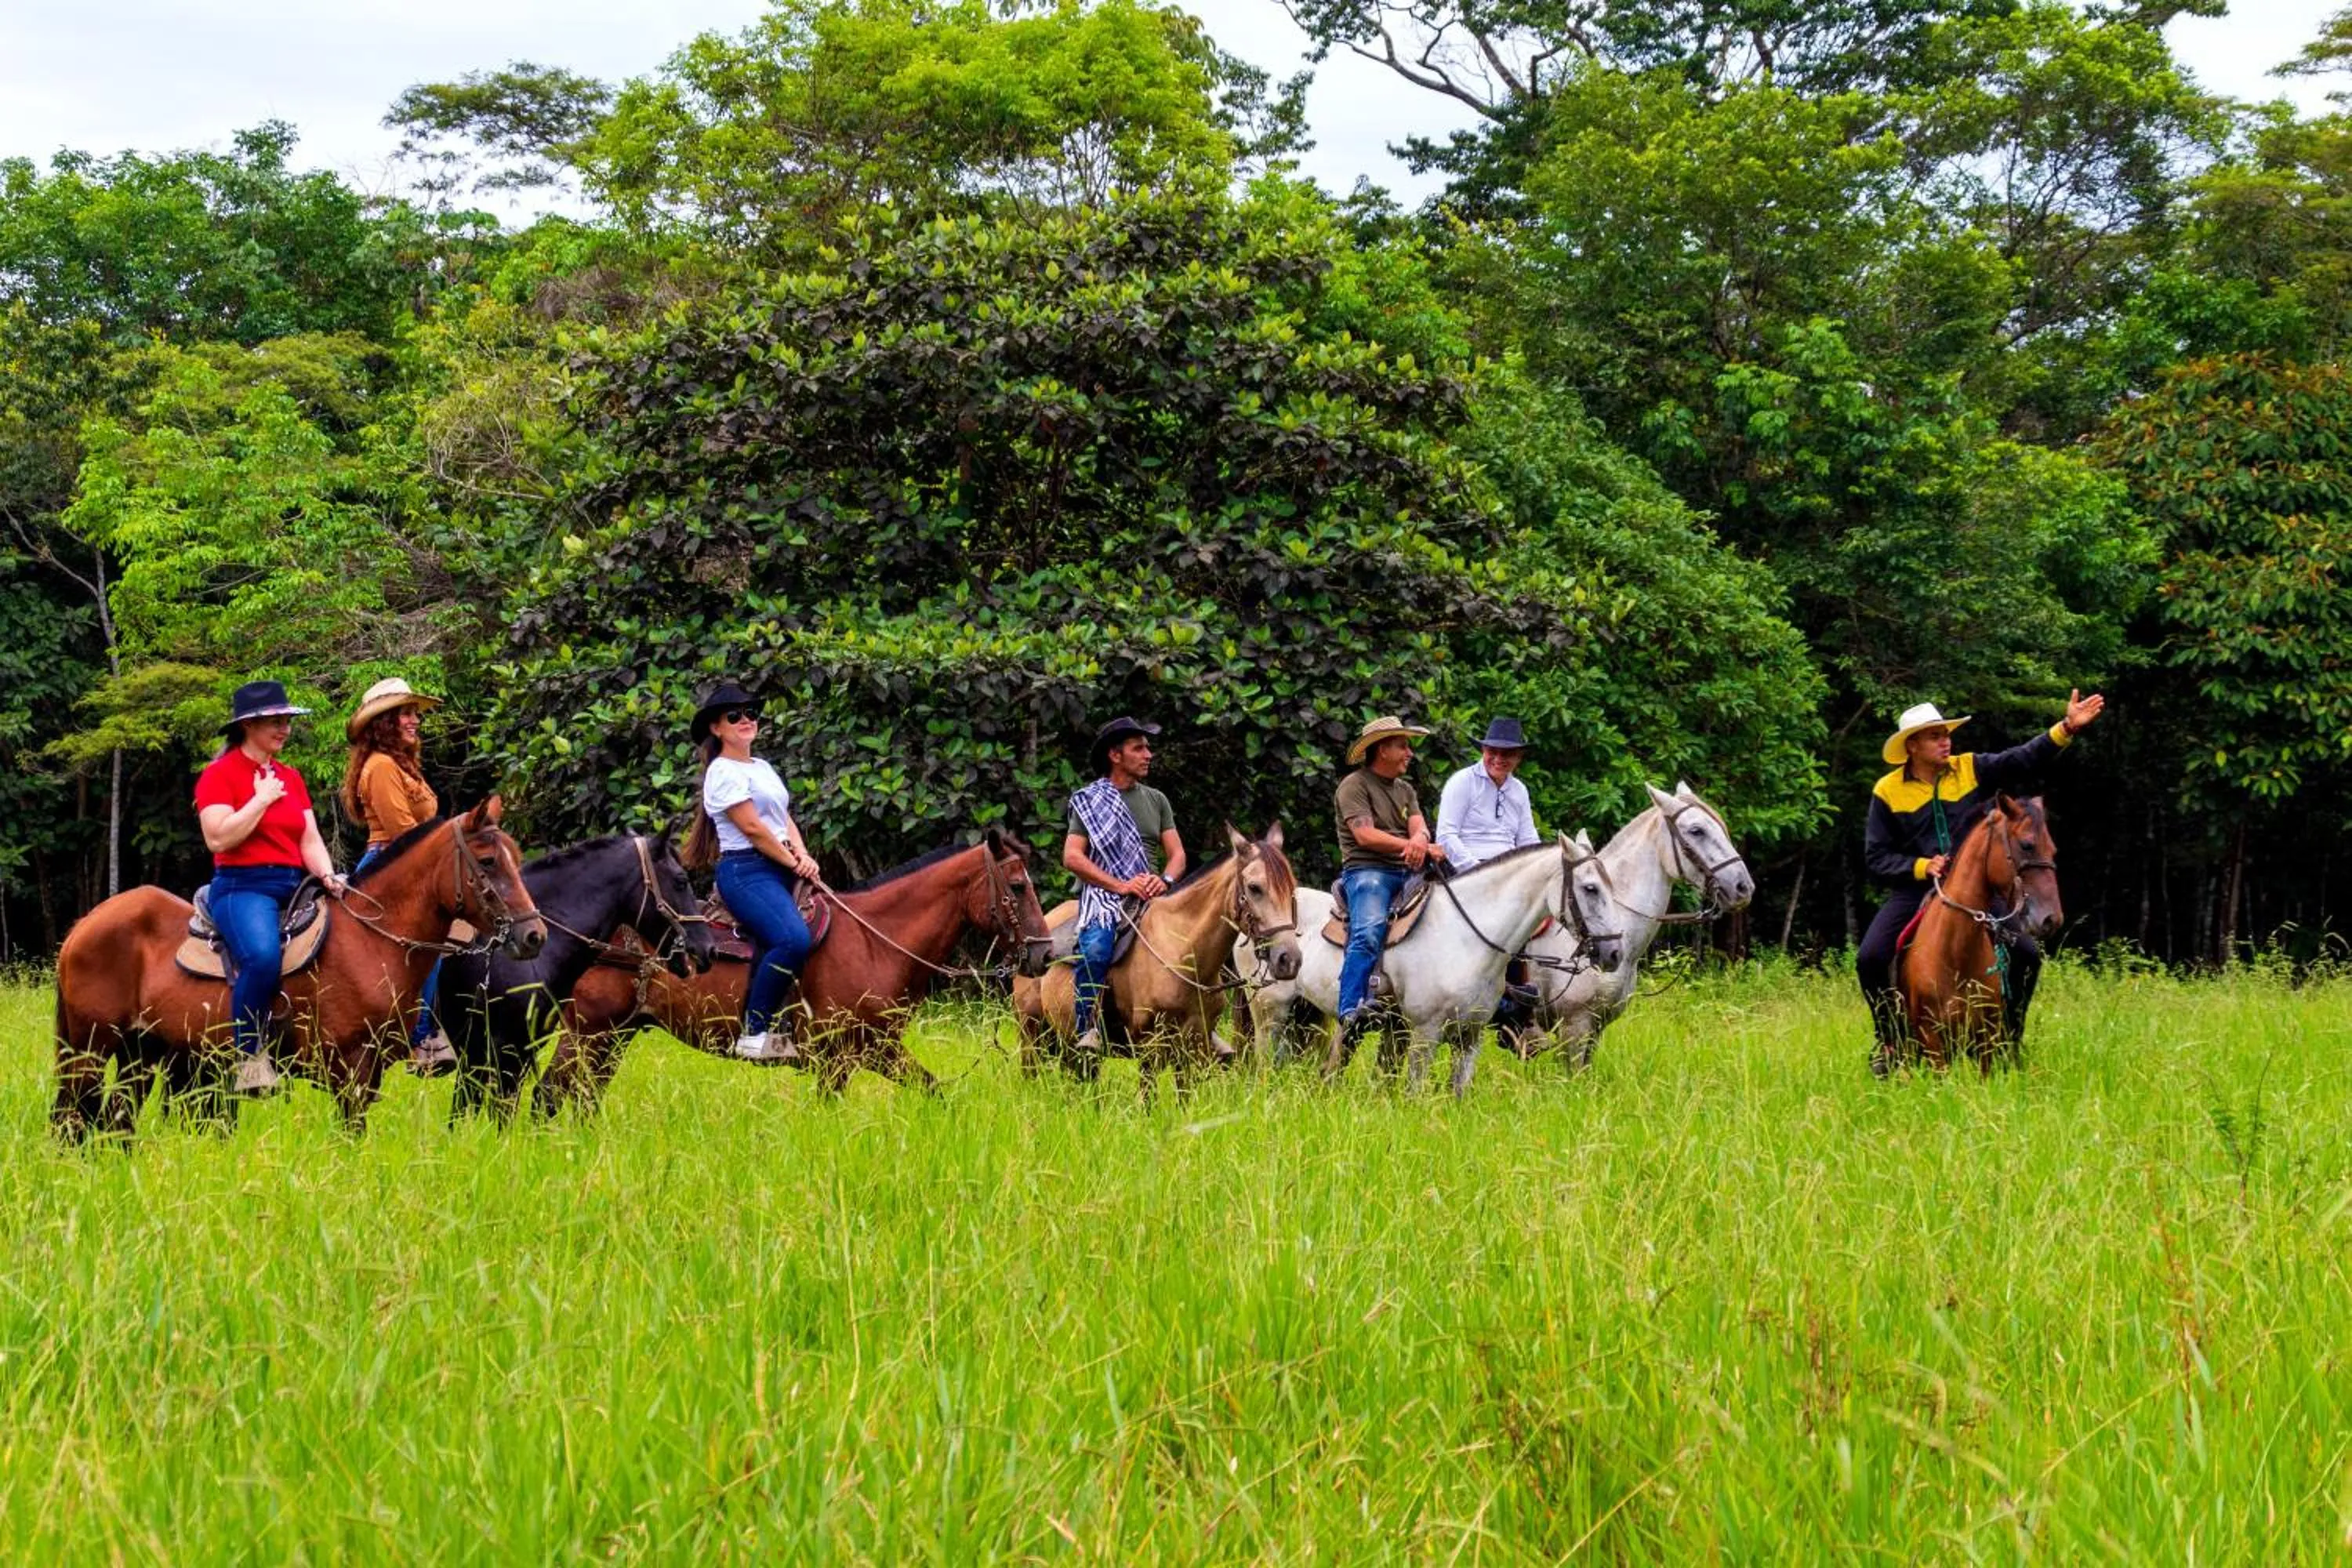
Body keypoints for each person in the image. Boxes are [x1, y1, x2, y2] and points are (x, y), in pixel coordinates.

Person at [1859, 689, 2105, 1075]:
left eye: (1946, 734)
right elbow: (1876, 857)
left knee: (2026, 954)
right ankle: (1890, 1041)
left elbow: (2021, 759)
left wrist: (2066, 728)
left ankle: (2010, 1038)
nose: (1946, 741)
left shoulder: (1969, 767)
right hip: (1916, 888)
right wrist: (1923, 866)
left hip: (1977, 893)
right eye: (1935, 736)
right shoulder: (1887, 790)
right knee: (1870, 958)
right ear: (1913, 746)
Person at [194, 680, 348, 1097]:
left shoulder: (291, 778)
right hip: (242, 886)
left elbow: (309, 838)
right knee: (262, 958)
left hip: (296, 883)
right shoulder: (218, 776)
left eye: (286, 720)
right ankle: (249, 1060)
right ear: (247, 726)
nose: (284, 728)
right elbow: (219, 839)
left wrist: (328, 875)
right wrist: (260, 799)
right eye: (274, 721)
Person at [682, 679, 821, 1064]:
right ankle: (756, 1033)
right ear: (717, 727)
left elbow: (782, 817)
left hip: (782, 863)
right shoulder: (722, 771)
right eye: (735, 715)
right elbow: (755, 829)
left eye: (751, 713)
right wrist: (794, 861)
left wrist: (803, 853)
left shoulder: (761, 766)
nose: (746, 720)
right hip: (747, 870)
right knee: (792, 938)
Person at [340, 677, 459, 1076]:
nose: (415, 721)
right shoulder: (382, 767)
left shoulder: (404, 765)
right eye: (406, 714)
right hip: (392, 867)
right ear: (385, 722)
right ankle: (421, 1037)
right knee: (428, 947)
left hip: (410, 864)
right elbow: (405, 835)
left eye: (414, 714)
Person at [1061, 716, 1189, 1055]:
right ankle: (1086, 1027)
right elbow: (1073, 857)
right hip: (1106, 896)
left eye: (1147, 747)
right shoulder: (1089, 801)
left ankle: (1201, 1024)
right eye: (1139, 748)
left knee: (1197, 943)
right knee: (1098, 949)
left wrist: (1165, 881)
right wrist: (1120, 885)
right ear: (1115, 756)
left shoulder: (1157, 800)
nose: (1148, 754)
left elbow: (1177, 855)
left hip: (1153, 894)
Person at [1334, 715, 1445, 1040]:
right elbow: (1365, 835)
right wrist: (1412, 845)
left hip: (1409, 869)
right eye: (1402, 746)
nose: (1409, 753)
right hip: (1368, 871)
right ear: (1382, 749)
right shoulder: (1353, 786)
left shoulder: (1405, 789)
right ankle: (1350, 1007)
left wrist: (1422, 841)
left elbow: (1419, 825)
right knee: (1368, 930)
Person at [1434, 717, 1544, 1033]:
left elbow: (1528, 840)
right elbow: (1446, 836)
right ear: (1483, 750)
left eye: (1507, 754)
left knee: (1534, 925)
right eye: (1492, 751)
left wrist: (1537, 868)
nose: (1498, 758)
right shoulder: (1462, 782)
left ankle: (1519, 1013)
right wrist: (1481, 873)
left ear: (1518, 758)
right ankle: (1481, 1002)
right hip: (1468, 872)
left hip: (1511, 875)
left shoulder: (1519, 790)